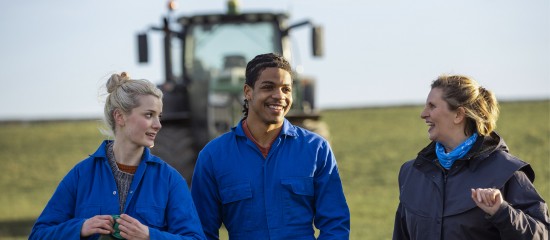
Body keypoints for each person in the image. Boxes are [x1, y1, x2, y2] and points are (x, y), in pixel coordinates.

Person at [191, 53, 350, 239]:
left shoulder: (316, 149)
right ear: (247, 92)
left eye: (286, 89)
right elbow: (202, 231)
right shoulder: (213, 156)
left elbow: (335, 223)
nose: (279, 96)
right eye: (268, 87)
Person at [30, 72, 206, 239]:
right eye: (149, 115)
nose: (158, 124)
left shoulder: (170, 180)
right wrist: (80, 228)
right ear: (120, 117)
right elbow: (38, 235)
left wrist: (149, 236)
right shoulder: (81, 175)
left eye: (159, 116)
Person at [392, 74, 550, 239]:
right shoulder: (411, 173)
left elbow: (543, 234)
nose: (423, 114)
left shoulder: (506, 172)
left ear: (459, 115)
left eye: (432, 106)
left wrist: (502, 212)